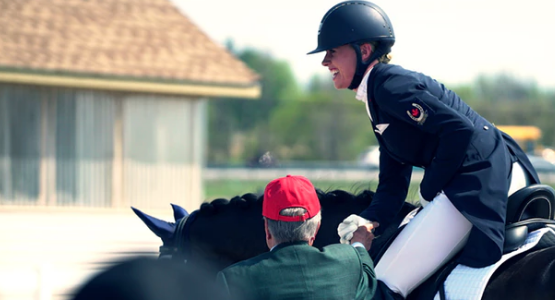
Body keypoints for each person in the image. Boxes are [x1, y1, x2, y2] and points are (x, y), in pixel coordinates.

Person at [307, 1, 541, 299]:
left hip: (478, 180)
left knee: (381, 284)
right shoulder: (377, 98)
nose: (325, 62)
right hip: (486, 169)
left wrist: (429, 190)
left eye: (332, 52)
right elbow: (393, 182)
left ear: (364, 51)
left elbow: (458, 130)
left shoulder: (389, 86)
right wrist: (368, 218)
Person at [215, 175, 377, 300]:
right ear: (316, 228)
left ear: (267, 230)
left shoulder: (232, 280)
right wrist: (359, 245)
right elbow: (369, 283)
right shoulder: (349, 262)